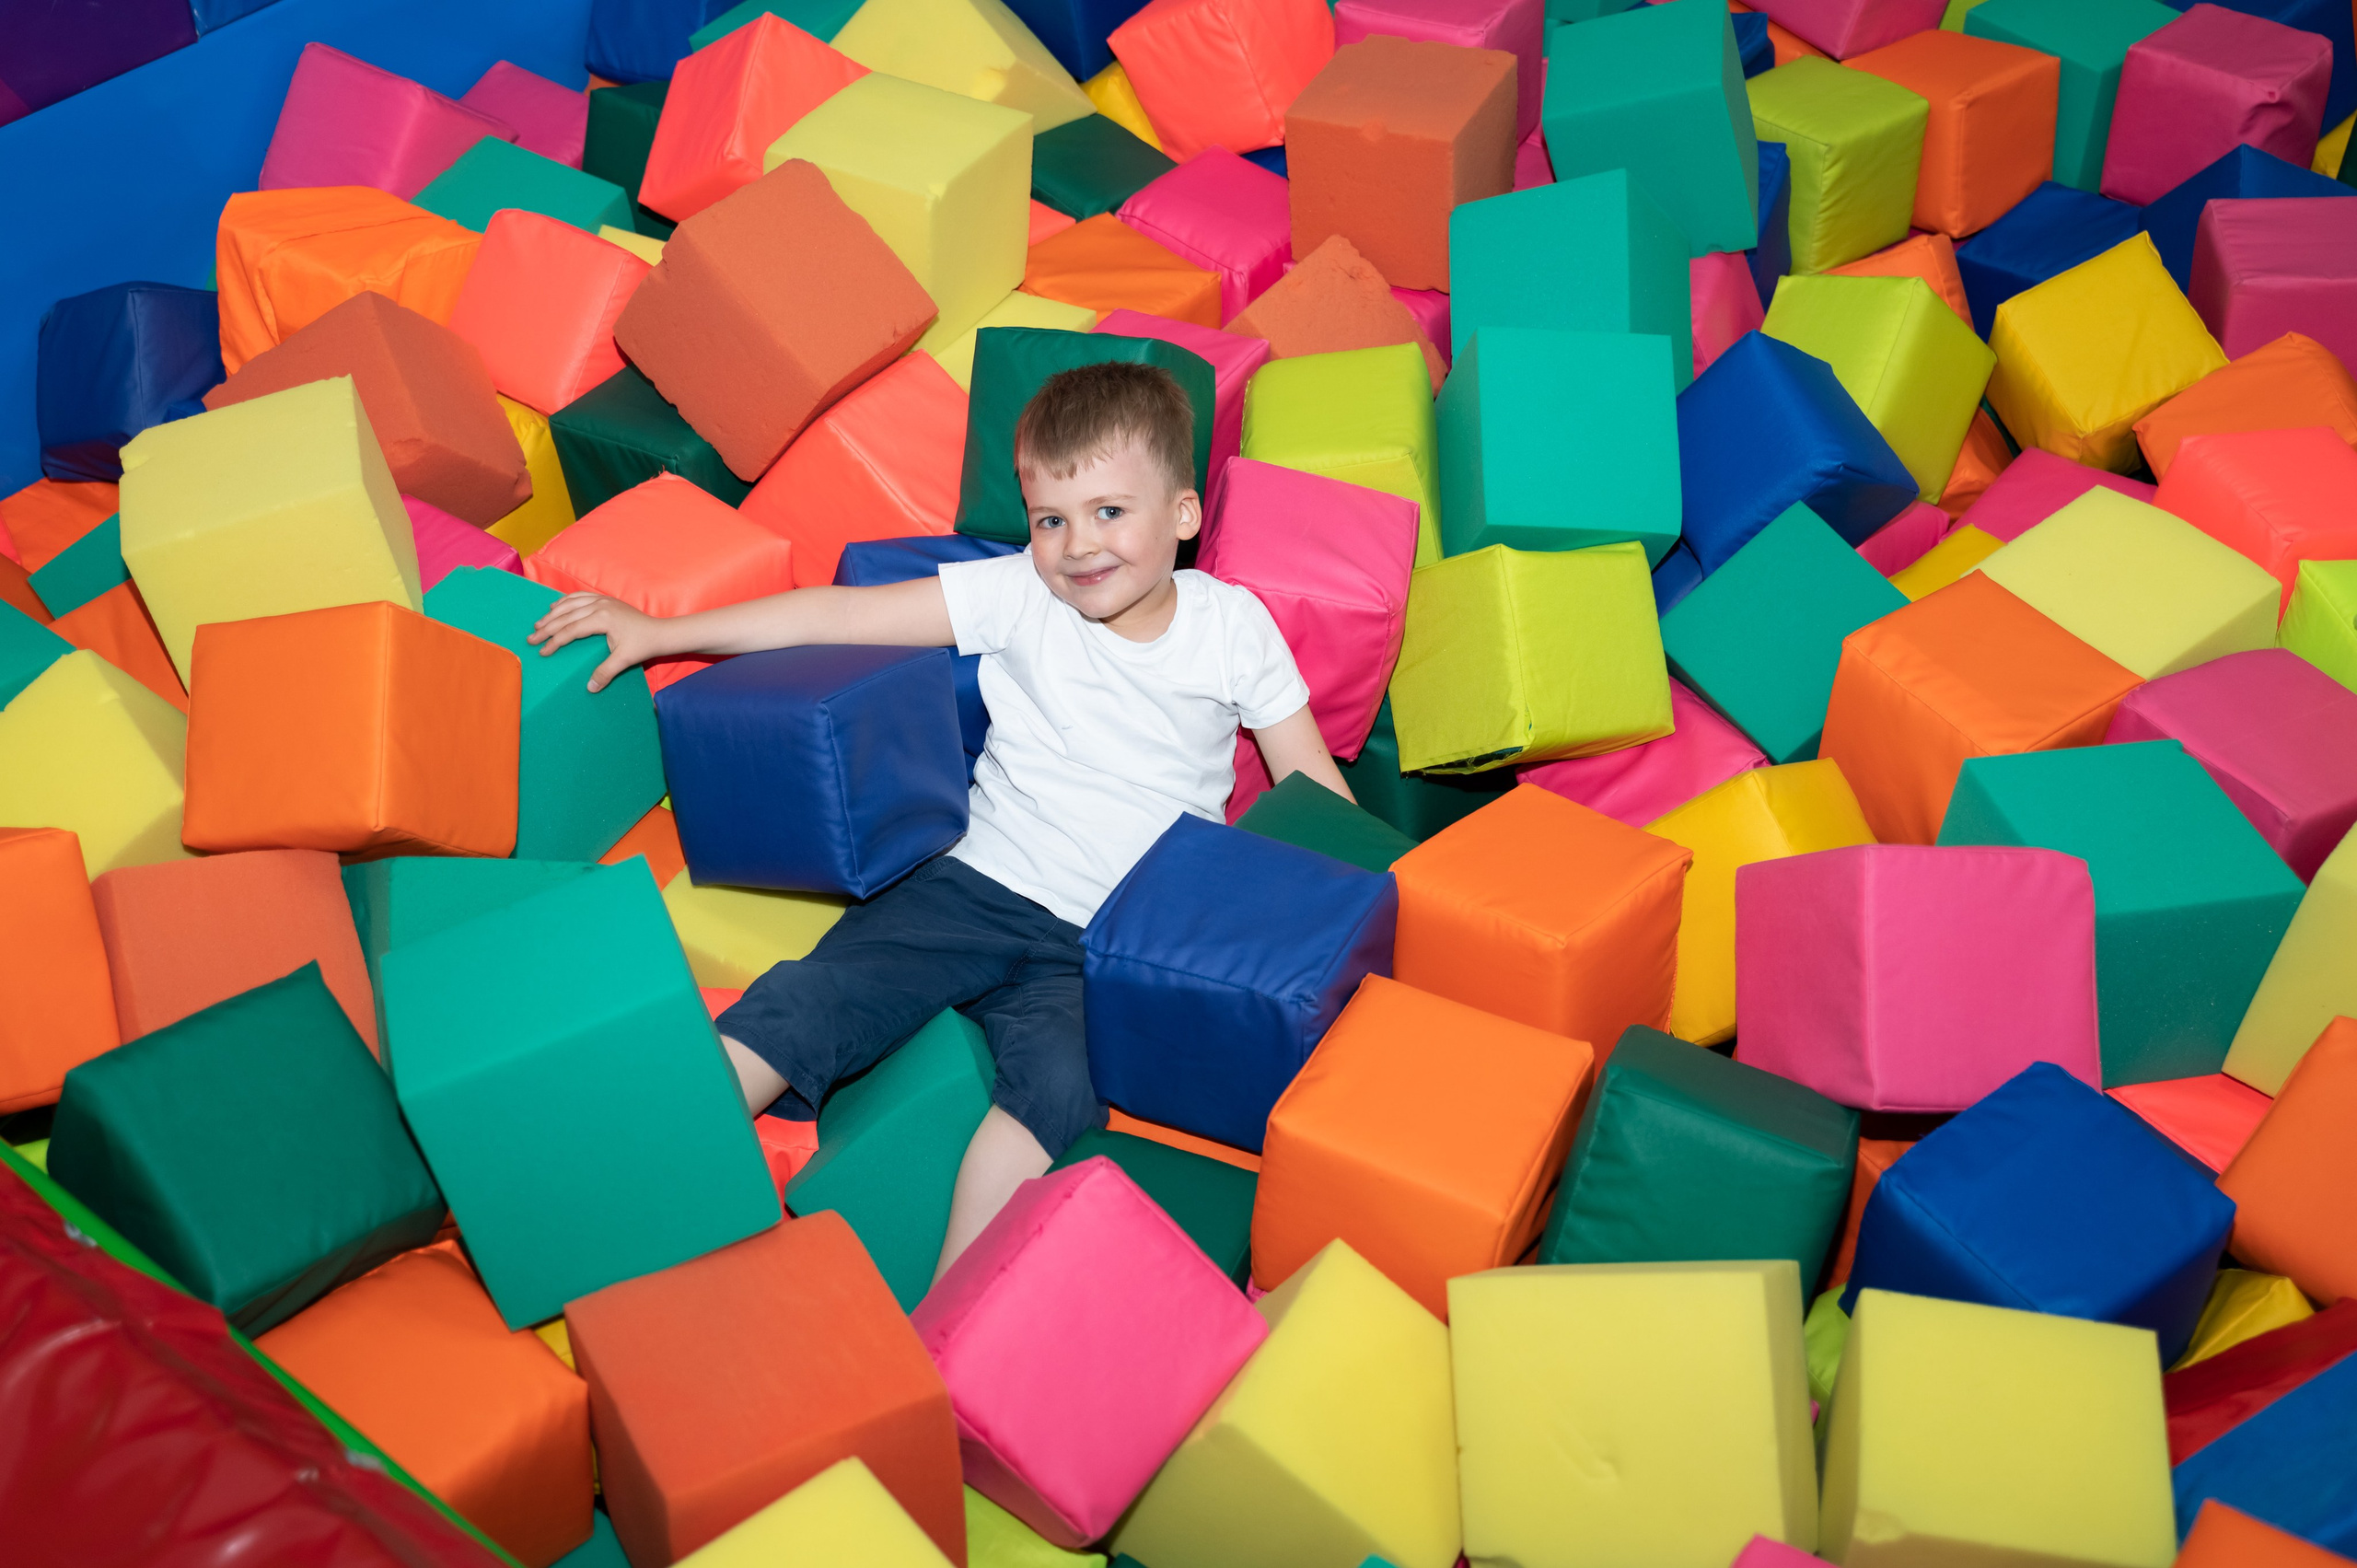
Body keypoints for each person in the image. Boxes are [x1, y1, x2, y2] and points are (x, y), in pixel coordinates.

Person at [528, 361, 1351, 1279]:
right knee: (811, 999)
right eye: (1051, 518)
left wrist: (1363, 936)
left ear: (1185, 514)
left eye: (1110, 511)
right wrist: (661, 630)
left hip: (1107, 943)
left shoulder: (1231, 626)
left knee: (1059, 1097)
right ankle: (607, 1187)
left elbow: (1311, 791)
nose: (1078, 544)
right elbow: (843, 614)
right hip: (969, 886)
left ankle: (951, 1324)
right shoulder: (1021, 591)